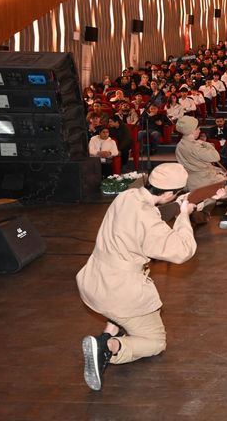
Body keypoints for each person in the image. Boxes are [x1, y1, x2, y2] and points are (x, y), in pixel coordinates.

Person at [76, 164, 216, 391]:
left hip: (94, 280)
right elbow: (182, 251)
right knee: (155, 342)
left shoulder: (127, 196)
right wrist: (183, 216)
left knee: (126, 312)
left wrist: (187, 202)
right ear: (170, 193)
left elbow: (152, 212)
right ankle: (109, 347)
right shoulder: (148, 221)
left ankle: (104, 336)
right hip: (121, 291)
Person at [174, 116, 227, 231]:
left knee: (206, 209)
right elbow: (215, 157)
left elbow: (198, 164)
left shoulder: (179, 145)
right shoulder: (196, 146)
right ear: (191, 130)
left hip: (192, 183)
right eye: (197, 128)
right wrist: (208, 145)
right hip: (208, 181)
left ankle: (190, 217)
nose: (199, 130)